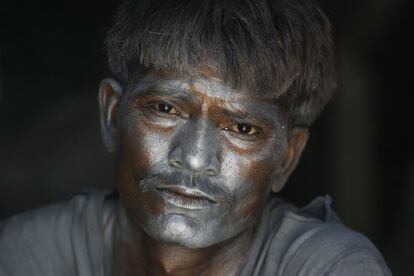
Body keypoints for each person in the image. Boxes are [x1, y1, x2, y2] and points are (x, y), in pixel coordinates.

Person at [0, 0, 392, 275]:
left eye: (242, 129)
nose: (194, 158)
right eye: (165, 109)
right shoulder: (29, 255)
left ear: (286, 159)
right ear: (112, 115)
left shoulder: (330, 269)